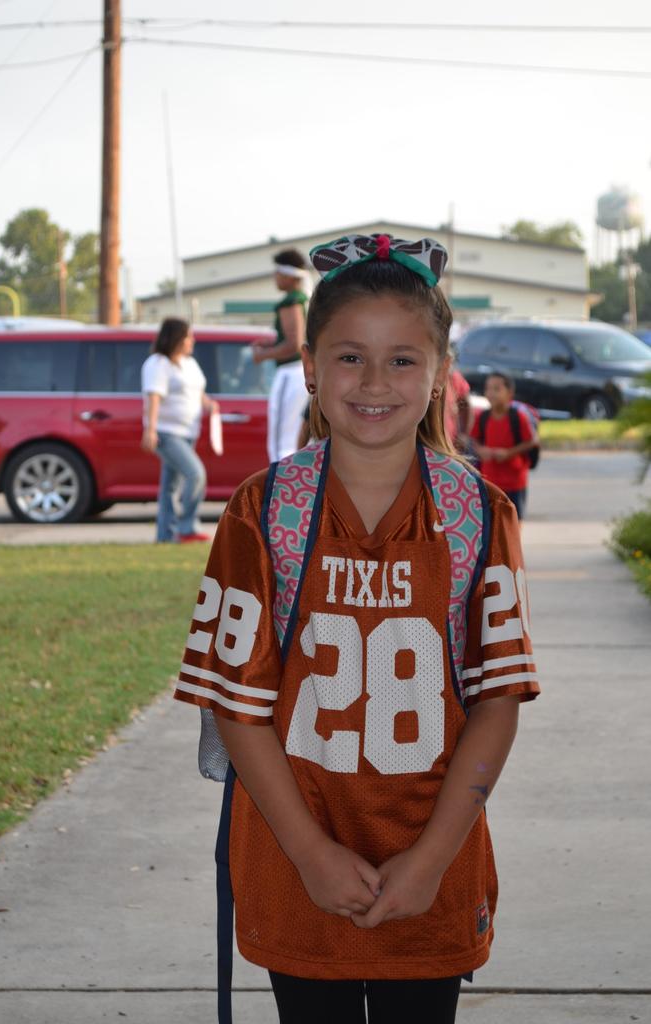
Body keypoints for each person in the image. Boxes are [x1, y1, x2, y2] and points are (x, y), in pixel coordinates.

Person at [174, 234, 539, 1024]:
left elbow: (497, 702)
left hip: (432, 868)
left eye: (403, 360)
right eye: (349, 358)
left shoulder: (479, 514)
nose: (375, 382)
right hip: (293, 862)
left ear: (442, 372)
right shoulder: (263, 510)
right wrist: (310, 854)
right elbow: (237, 706)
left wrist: (431, 859)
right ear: (309, 366)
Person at [140, 317, 219, 543]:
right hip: (167, 432)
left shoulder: (189, 363)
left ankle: (165, 536)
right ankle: (187, 528)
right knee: (195, 474)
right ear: (176, 338)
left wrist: (208, 403)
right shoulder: (158, 363)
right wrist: (151, 430)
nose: (192, 341)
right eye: (188, 337)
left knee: (170, 487)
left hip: (188, 432)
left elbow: (196, 391)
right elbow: (154, 397)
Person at [252, 248, 310, 461]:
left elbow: (294, 345)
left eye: (277, 272)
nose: (275, 278)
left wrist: (263, 355)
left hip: (291, 372)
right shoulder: (304, 298)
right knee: (295, 436)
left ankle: (281, 487)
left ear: (288, 275)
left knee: (281, 441)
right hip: (301, 372)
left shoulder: (291, 300)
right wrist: (271, 345)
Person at [469, 372, 538, 522]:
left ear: (509, 393)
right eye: (488, 388)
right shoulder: (483, 417)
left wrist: (509, 453)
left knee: (513, 521)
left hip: (514, 481)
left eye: (496, 389)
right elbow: (474, 440)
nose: (491, 393)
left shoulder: (518, 417)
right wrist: (481, 450)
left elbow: (531, 441)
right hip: (490, 480)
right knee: (492, 522)